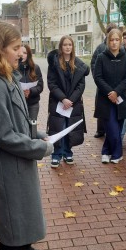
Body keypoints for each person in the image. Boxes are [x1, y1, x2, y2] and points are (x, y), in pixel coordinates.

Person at [0, 21, 53, 250]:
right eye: (16, 47)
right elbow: (3, 135)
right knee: (13, 212)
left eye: (21, 47)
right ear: (0, 50)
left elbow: (19, 123)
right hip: (7, 165)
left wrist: (37, 135)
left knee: (22, 210)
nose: (21, 52)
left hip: (17, 161)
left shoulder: (7, 78)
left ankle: (25, 249)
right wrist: (38, 148)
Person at [47, 35, 89, 168]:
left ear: (73, 47)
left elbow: (81, 85)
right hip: (58, 102)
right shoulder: (54, 63)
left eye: (70, 45)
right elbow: (52, 84)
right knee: (59, 128)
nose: (67, 47)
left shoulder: (79, 65)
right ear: (61, 47)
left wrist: (71, 100)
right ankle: (56, 154)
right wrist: (63, 98)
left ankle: (67, 152)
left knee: (70, 128)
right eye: (65, 45)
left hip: (73, 104)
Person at [94, 29, 126, 164]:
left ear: (120, 41)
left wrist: (117, 92)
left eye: (117, 40)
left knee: (116, 127)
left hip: (121, 100)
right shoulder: (101, 57)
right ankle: (117, 154)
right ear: (108, 41)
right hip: (105, 99)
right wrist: (110, 92)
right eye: (111, 40)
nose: (114, 43)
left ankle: (106, 151)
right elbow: (97, 77)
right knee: (112, 129)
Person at [91, 23, 117, 138]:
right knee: (101, 107)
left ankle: (113, 129)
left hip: (115, 85)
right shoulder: (100, 48)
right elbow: (93, 63)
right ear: (106, 33)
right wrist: (97, 78)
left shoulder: (119, 47)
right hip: (102, 84)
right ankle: (100, 130)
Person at [18, 44, 43, 121]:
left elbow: (40, 86)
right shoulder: (13, 69)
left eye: (25, 53)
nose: (22, 55)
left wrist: (30, 91)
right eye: (20, 52)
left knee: (32, 128)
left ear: (28, 54)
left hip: (33, 103)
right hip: (19, 104)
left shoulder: (36, 68)